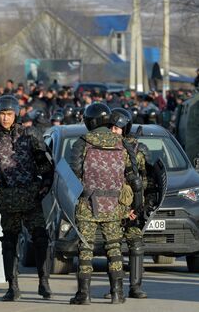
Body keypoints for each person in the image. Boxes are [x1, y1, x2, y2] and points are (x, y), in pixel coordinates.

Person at [0, 95, 54, 301]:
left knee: (40, 238)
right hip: (8, 198)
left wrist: (45, 186)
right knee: (9, 242)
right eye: (2, 114)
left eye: (9, 114)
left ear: (16, 115)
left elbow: (45, 164)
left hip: (31, 197)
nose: (5, 118)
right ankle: (13, 286)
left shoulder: (29, 135)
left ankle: (43, 282)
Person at [68, 103, 137, 305]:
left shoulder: (82, 142)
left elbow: (74, 173)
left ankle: (84, 294)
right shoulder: (122, 143)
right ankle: (117, 293)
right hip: (115, 205)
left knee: (86, 248)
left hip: (88, 204)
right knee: (114, 248)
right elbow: (132, 175)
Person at [110, 108, 148, 299]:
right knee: (113, 246)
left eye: (118, 128)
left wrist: (138, 208)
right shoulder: (102, 148)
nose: (114, 131)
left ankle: (135, 287)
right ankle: (115, 289)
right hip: (110, 204)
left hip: (130, 205)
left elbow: (144, 182)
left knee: (136, 243)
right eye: (112, 127)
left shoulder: (136, 150)